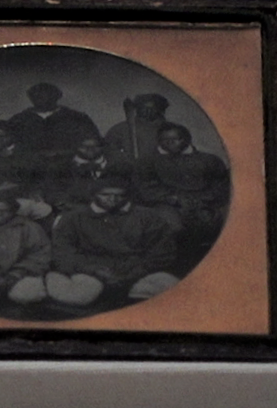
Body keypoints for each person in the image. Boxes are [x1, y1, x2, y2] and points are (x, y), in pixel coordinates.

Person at [46, 179, 179, 308]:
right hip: (89, 272)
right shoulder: (73, 218)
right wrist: (93, 270)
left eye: (120, 195)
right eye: (105, 195)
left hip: (136, 271)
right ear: (93, 195)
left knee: (173, 290)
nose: (113, 199)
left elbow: (162, 251)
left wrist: (135, 272)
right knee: (80, 295)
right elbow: (63, 252)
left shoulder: (147, 216)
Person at [141, 123, 230, 263]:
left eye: (176, 139)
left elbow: (221, 186)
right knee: (173, 227)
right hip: (168, 204)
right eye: (165, 140)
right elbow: (145, 187)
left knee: (219, 223)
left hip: (205, 202)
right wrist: (171, 198)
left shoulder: (210, 160)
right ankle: (175, 263)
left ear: (187, 139)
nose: (170, 143)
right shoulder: (148, 162)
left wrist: (204, 199)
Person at [6, 82, 100, 165]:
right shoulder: (19, 120)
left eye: (45, 95)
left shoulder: (77, 118)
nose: (40, 98)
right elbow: (7, 146)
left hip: (69, 168)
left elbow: (94, 143)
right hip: (28, 169)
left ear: (56, 97)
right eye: (36, 95)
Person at [45, 134, 133, 215]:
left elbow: (132, 193)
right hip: (74, 215)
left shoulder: (121, 167)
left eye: (96, 146)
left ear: (103, 147)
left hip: (118, 215)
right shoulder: (60, 169)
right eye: (84, 146)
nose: (90, 149)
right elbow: (55, 196)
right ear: (75, 146)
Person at [102, 93, 171, 173]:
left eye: (153, 108)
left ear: (161, 110)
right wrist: (126, 161)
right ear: (137, 109)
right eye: (143, 108)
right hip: (128, 172)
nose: (148, 111)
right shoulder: (121, 129)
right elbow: (109, 149)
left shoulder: (170, 129)